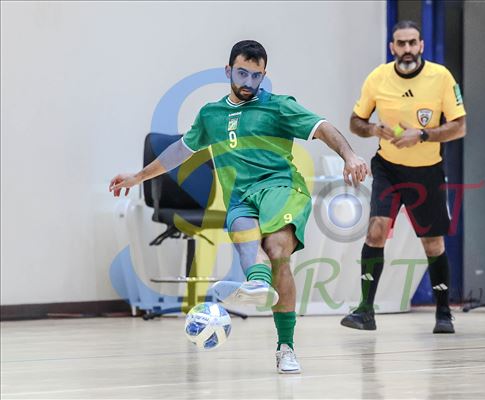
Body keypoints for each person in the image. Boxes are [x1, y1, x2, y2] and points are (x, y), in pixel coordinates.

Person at [109, 40, 369, 373]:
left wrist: (350, 155)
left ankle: (285, 346)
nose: (248, 82)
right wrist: (138, 176)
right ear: (228, 70)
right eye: (242, 73)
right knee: (249, 247)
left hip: (280, 188)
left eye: (256, 76)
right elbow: (180, 152)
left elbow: (322, 128)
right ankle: (258, 284)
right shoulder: (210, 115)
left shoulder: (278, 106)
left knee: (277, 252)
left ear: (264, 75)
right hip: (240, 198)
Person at [340, 20, 467, 334]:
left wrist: (422, 134)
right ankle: (365, 311)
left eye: (412, 43)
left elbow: (459, 126)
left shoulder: (441, 77)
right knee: (376, 231)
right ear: (392, 47)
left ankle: (443, 313)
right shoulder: (378, 78)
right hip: (388, 168)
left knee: (432, 242)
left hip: (427, 170)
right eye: (401, 43)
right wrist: (373, 128)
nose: (407, 49)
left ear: (421, 45)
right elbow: (356, 121)